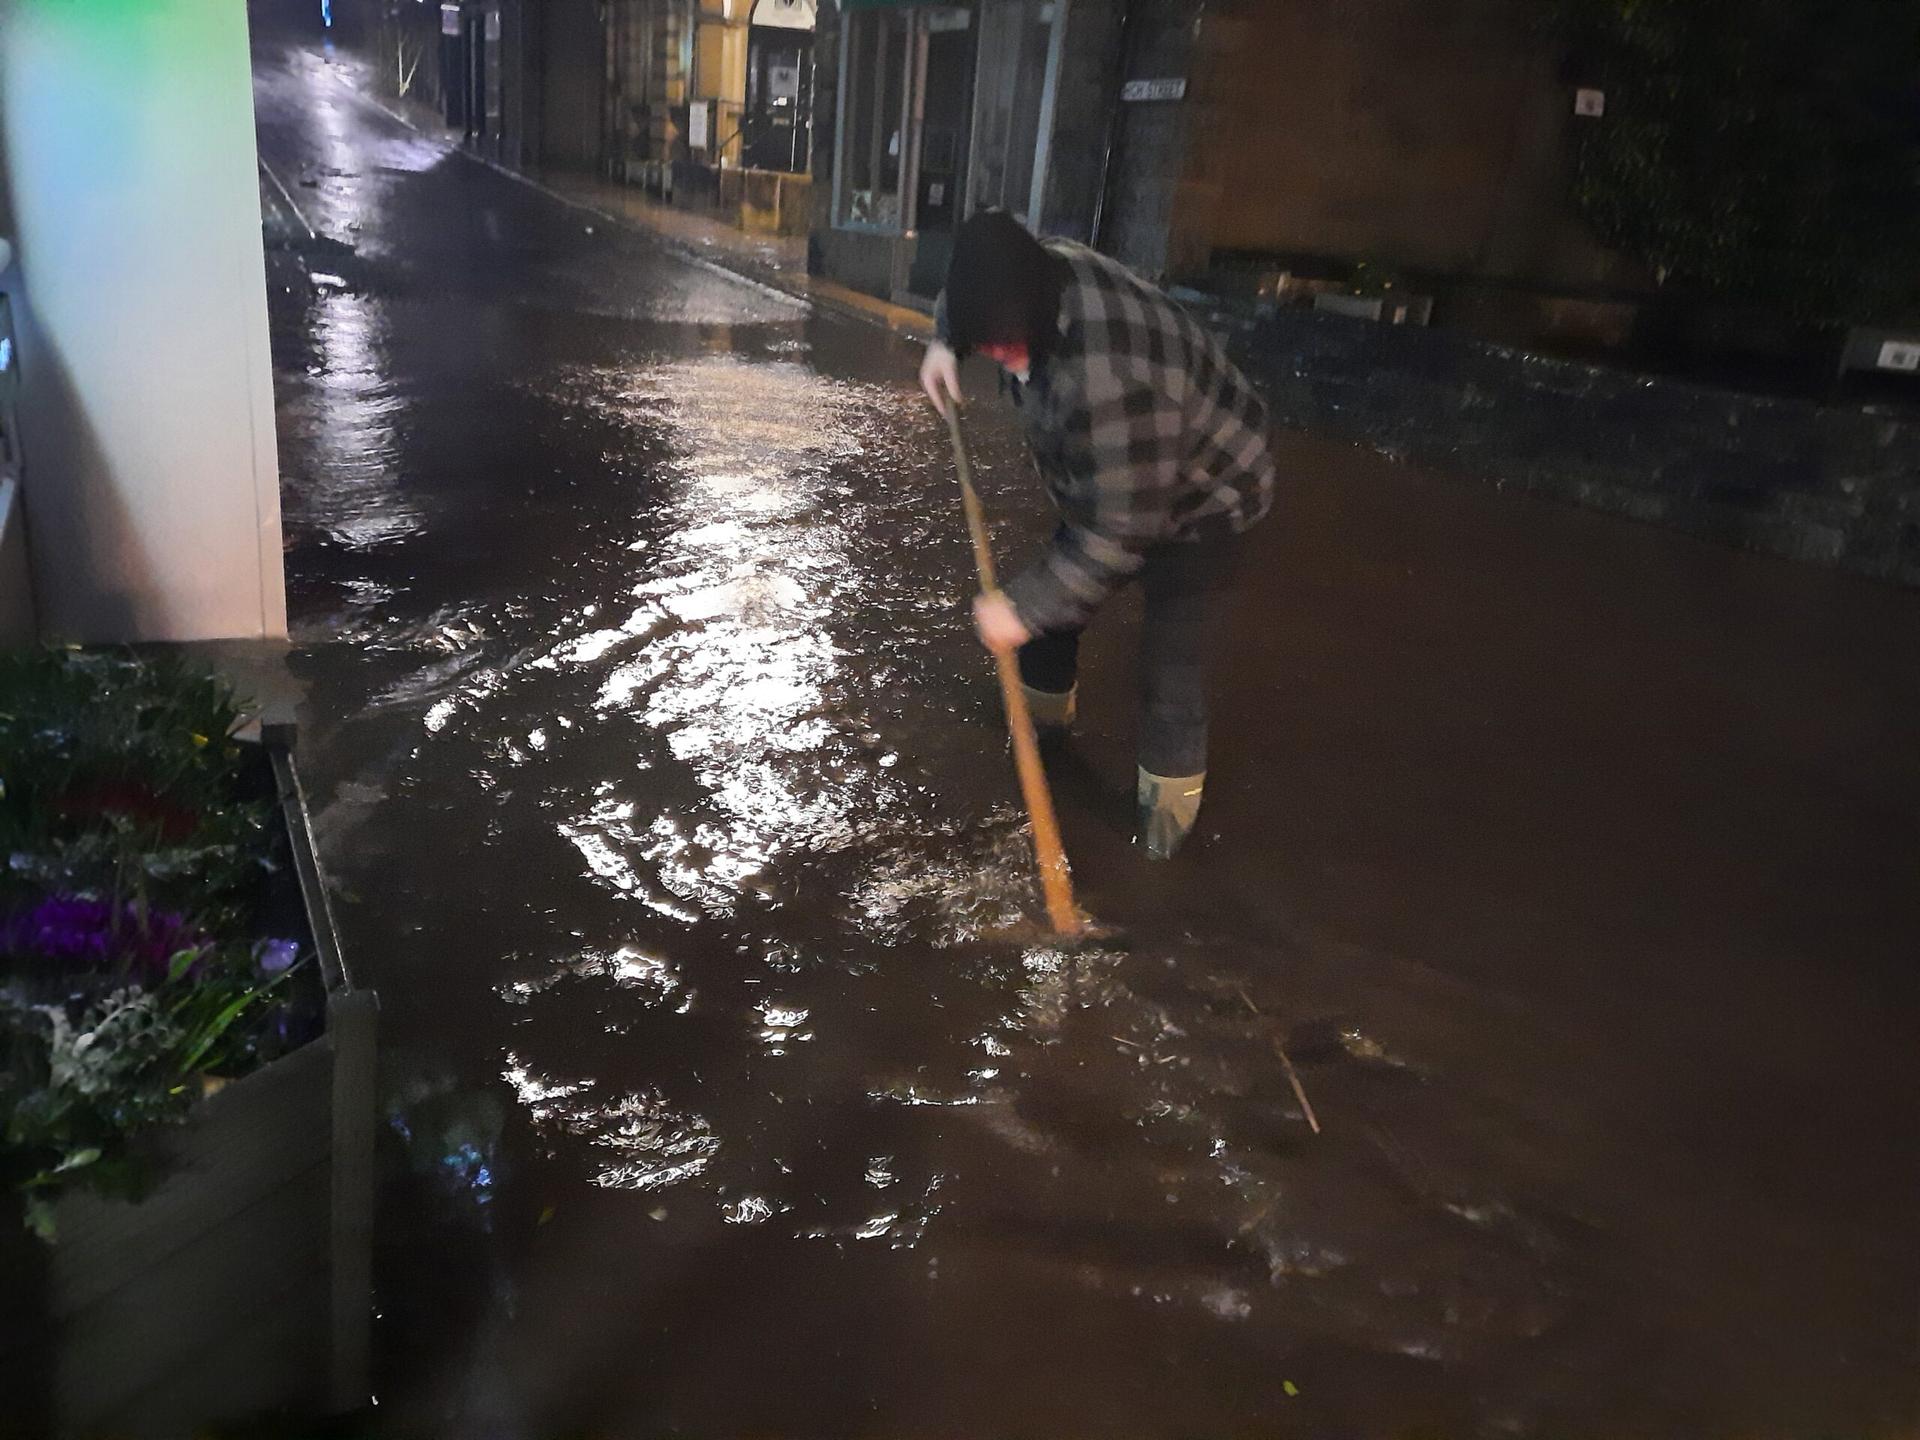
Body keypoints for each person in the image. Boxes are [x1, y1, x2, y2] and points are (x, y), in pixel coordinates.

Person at [920, 210, 1276, 860]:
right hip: (1112, 480)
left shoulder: (1108, 378)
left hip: (1209, 496)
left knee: (1170, 668)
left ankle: (1163, 839)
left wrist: (1019, 609)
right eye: (989, 344)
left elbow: (1120, 532)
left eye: (1008, 346)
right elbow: (966, 290)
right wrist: (947, 342)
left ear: (1037, 311)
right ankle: (1037, 738)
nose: (1004, 361)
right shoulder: (1027, 271)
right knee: (1052, 606)